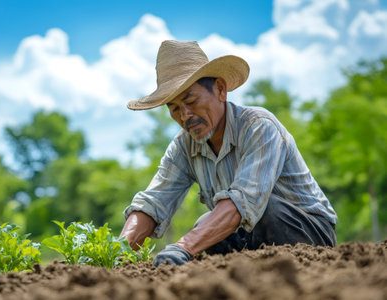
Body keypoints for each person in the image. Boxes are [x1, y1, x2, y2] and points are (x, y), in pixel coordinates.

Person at [120, 40, 338, 267]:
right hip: (250, 235)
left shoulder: (258, 126)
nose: (185, 115)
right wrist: (118, 251)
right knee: (206, 227)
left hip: (309, 230)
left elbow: (244, 202)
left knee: (262, 212)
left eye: (191, 101)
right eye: (174, 108)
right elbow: (154, 202)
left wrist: (183, 246)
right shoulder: (183, 147)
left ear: (221, 90)